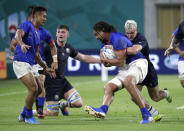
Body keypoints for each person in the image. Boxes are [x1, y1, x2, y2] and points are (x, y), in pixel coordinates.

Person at [85, 21, 153, 124]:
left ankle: (146, 115)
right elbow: (104, 57)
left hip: (138, 63)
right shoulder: (104, 43)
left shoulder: (118, 39)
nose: (96, 37)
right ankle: (103, 110)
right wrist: (106, 61)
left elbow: (120, 62)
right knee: (108, 87)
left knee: (129, 81)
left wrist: (107, 61)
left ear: (102, 31)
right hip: (125, 68)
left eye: (96, 34)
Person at [9, 6, 62, 119]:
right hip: (21, 62)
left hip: (32, 63)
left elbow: (36, 55)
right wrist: (21, 44)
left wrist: (46, 67)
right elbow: (18, 35)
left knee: (38, 90)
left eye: (46, 16)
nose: (45, 19)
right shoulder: (27, 25)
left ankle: (24, 113)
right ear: (36, 16)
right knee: (33, 88)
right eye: (43, 16)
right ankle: (29, 116)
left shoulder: (38, 34)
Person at [38, 24, 101, 116]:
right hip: (51, 84)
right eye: (58, 32)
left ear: (68, 34)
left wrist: (100, 60)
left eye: (63, 32)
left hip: (63, 82)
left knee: (78, 103)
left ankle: (61, 105)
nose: (60, 34)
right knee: (53, 114)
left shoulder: (68, 48)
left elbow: (83, 57)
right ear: (56, 34)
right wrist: (41, 75)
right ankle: (28, 113)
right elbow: (37, 57)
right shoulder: (49, 47)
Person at [124, 20, 172, 120]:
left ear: (136, 30)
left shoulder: (141, 39)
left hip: (147, 71)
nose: (130, 35)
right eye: (127, 33)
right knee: (134, 97)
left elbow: (134, 50)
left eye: (132, 33)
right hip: (135, 70)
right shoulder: (124, 39)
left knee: (156, 97)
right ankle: (154, 113)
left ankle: (166, 93)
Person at [165, 26, 184, 108]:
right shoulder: (182, 26)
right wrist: (170, 47)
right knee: (182, 81)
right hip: (182, 58)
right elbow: (174, 36)